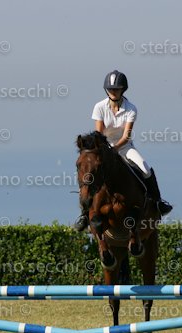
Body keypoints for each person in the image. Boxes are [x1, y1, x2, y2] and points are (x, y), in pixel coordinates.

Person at [74, 70, 172, 231]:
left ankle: (158, 202)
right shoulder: (99, 107)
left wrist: (115, 149)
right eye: (111, 89)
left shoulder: (131, 108)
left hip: (125, 147)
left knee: (145, 168)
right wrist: (105, 150)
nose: (113, 91)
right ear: (106, 90)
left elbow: (126, 136)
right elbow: (99, 134)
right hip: (103, 148)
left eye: (117, 89)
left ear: (123, 90)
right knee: (91, 174)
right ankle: (84, 214)